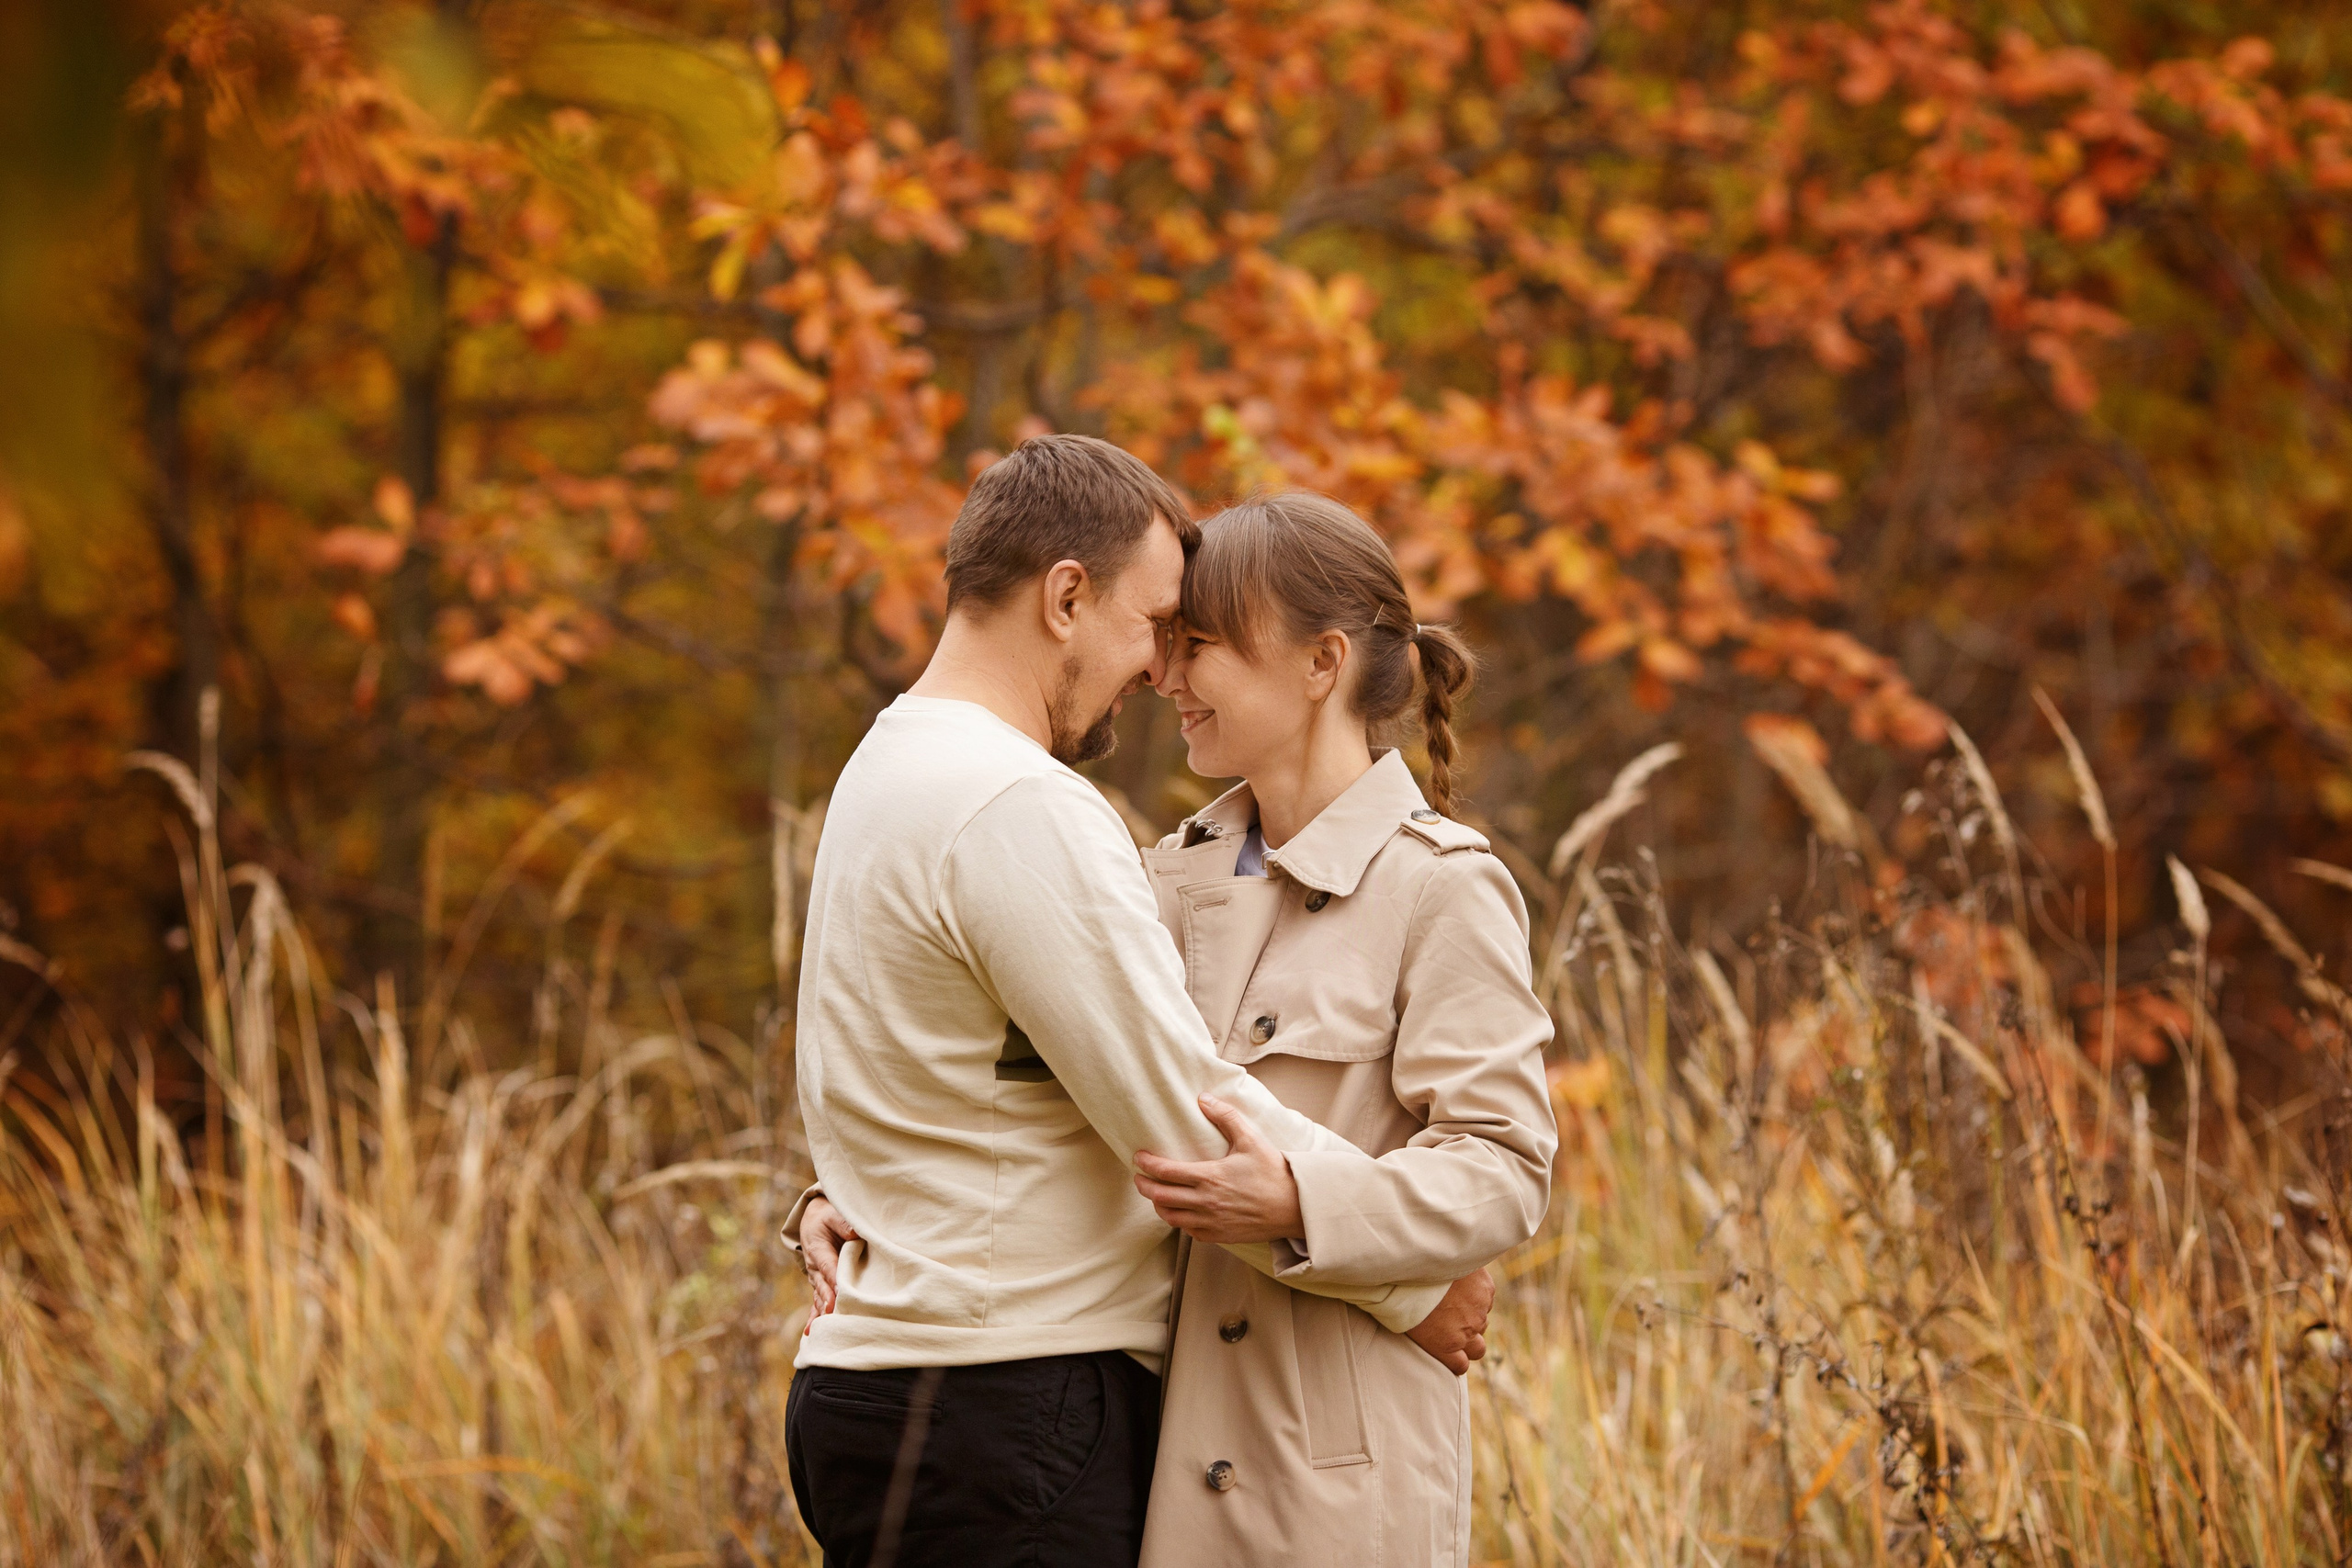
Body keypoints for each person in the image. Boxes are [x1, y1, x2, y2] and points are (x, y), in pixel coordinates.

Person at [778, 436, 1491, 1568]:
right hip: (1005, 1400)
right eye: (1157, 624)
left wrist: (843, 1189)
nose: (1159, 670)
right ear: (1066, 597)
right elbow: (1175, 1114)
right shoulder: (1017, 803)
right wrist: (1417, 1287)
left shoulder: (884, 770)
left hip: (893, 1390)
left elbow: (939, 1059)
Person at [1123, 491, 1556, 1567]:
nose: (1166, 678)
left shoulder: (1443, 888)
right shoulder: (1150, 879)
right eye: (1168, 647)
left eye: (1202, 647)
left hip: (1331, 1487)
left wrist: (1300, 1202)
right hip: (1140, 1464)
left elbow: (1503, 1171)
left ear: (1321, 664)